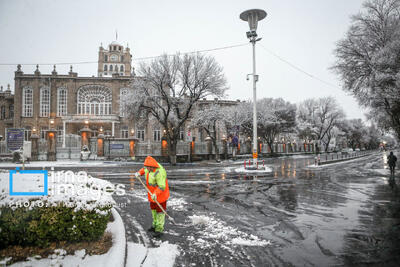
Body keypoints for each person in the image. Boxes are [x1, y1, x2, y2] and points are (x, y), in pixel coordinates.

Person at [136, 156, 170, 238]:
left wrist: (155, 193)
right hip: (152, 195)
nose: (147, 169)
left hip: (160, 195)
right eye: (146, 167)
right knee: (153, 210)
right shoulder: (148, 168)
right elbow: (143, 170)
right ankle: (154, 225)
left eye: (148, 168)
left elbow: (162, 186)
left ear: (152, 166)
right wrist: (139, 173)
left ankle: (159, 229)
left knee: (160, 212)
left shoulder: (159, 172)